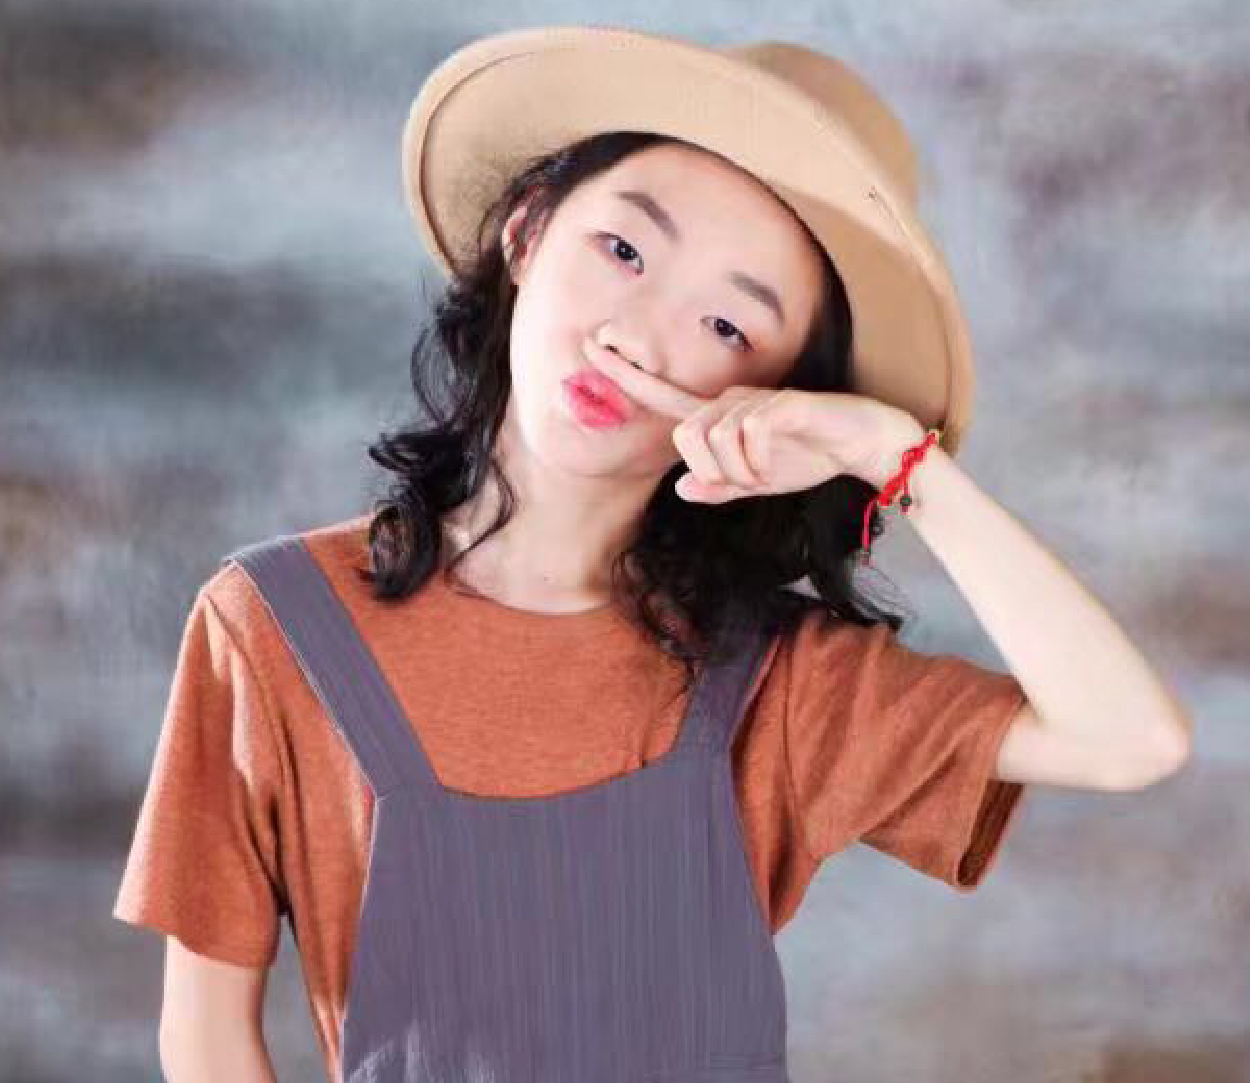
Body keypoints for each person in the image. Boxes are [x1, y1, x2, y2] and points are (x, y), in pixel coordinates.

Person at [113, 26, 1191, 1083]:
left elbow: (1129, 738)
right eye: (622, 251)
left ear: (770, 395)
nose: (638, 334)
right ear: (526, 232)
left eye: (727, 327)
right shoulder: (274, 625)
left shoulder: (779, 680)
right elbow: (205, 1041)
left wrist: (893, 456)